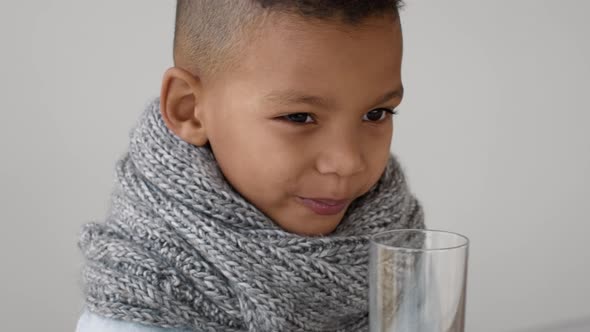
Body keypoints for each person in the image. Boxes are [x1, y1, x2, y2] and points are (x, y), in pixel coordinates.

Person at [75, 0, 425, 331]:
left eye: (376, 114)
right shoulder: (146, 304)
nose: (347, 162)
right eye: (299, 117)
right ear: (189, 110)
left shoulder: (396, 253)